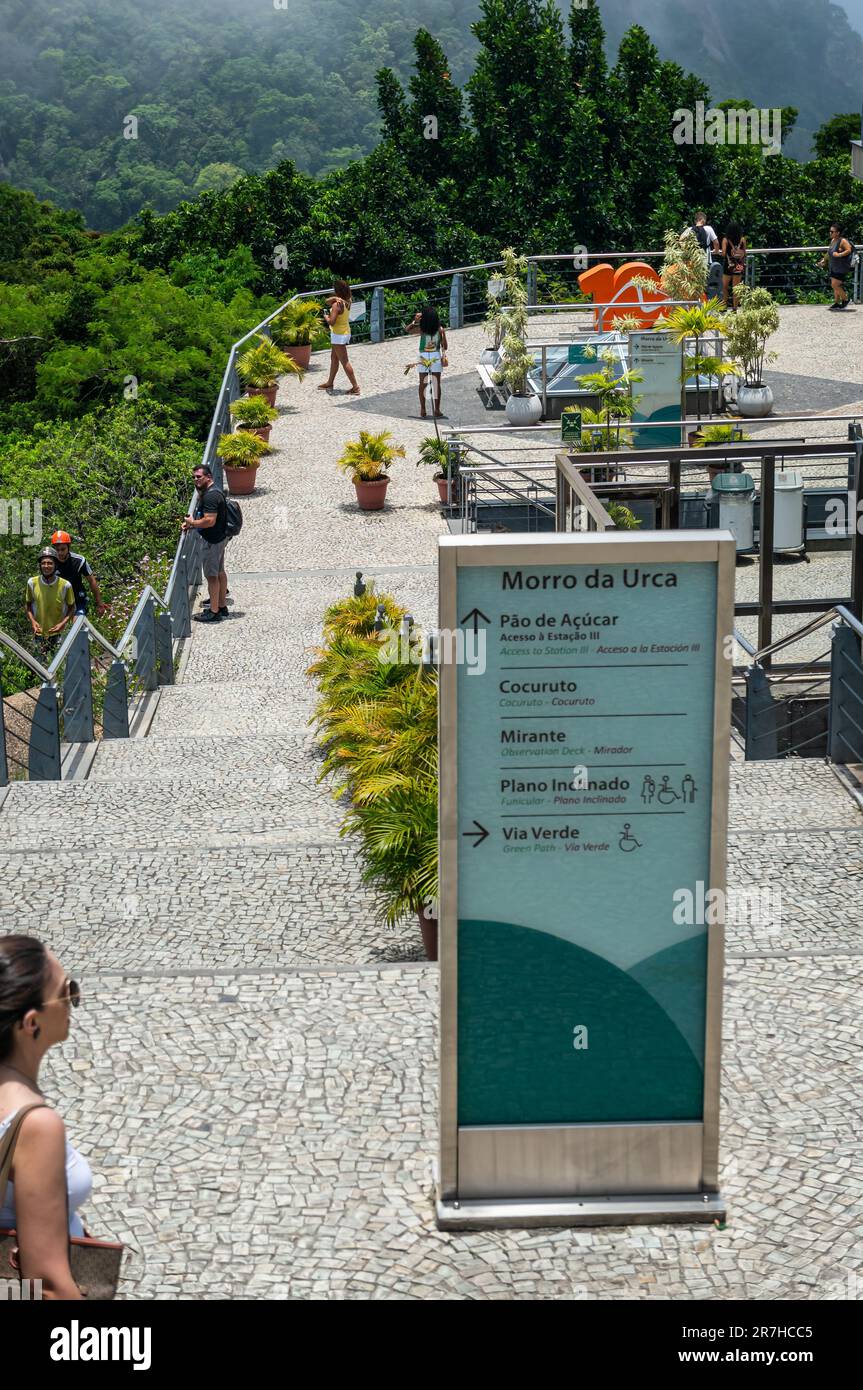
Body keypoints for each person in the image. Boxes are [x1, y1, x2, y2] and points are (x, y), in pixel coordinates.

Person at [0, 935, 87, 1299]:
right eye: (67, 993)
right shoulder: (34, 1125)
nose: (73, 1003)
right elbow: (45, 1286)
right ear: (32, 1022)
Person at [182, 463, 230, 623]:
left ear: (208, 477)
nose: (195, 480)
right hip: (220, 538)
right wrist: (192, 523)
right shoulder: (215, 491)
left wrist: (192, 523)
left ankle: (214, 612)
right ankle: (222, 606)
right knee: (220, 572)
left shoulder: (210, 496)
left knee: (211, 576)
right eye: (194, 477)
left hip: (212, 541)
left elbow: (209, 521)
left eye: (199, 477)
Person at [25, 548, 76, 651]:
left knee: (59, 664)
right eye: (43, 563)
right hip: (38, 633)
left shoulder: (65, 585)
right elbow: (28, 605)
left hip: (59, 633)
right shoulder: (32, 583)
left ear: (55, 565)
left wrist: (62, 624)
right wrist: (33, 622)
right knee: (38, 664)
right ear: (40, 565)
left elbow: (72, 608)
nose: (46, 566)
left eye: (50, 563)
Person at [317, 278, 360, 395]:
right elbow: (327, 301)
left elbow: (331, 322)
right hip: (345, 331)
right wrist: (335, 298)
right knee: (334, 358)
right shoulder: (348, 300)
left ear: (337, 291)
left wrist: (326, 316)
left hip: (338, 335)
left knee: (344, 361)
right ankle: (330, 382)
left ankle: (355, 387)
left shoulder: (337, 305)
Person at [50, 532, 107, 618]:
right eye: (57, 550)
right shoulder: (50, 563)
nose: (60, 553)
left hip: (78, 599)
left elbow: (92, 581)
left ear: (68, 547)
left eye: (63, 549)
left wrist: (99, 603)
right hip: (59, 601)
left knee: (78, 624)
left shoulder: (79, 561)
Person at [406, 306, 449, 417]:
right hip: (435, 355)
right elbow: (445, 346)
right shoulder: (440, 329)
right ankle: (437, 410)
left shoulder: (422, 329)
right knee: (436, 383)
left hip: (423, 356)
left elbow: (408, 330)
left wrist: (415, 321)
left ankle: (423, 409)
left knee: (422, 383)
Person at [821, 224, 854, 310]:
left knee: (835, 285)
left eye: (832, 231)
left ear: (838, 233)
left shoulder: (842, 241)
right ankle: (836, 303)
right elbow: (829, 252)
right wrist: (824, 260)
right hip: (833, 266)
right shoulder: (833, 240)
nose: (830, 233)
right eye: (830, 231)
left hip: (841, 267)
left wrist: (839, 254)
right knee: (836, 284)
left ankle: (846, 299)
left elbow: (849, 250)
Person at [719, 224, 747, 308]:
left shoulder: (725, 240)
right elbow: (744, 253)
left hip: (728, 266)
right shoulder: (742, 240)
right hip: (738, 266)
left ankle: (724, 306)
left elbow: (724, 253)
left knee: (724, 287)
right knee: (736, 288)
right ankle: (735, 308)